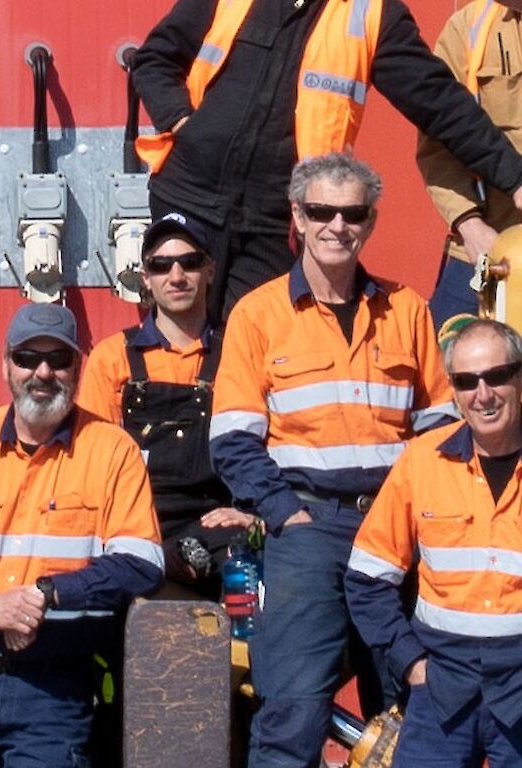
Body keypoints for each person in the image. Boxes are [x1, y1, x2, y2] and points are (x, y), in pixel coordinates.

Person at [211, 154, 457, 768]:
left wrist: (422, 517)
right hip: (308, 528)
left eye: (352, 213)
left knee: (411, 706)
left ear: (371, 222)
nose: (337, 226)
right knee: (291, 710)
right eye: (322, 211)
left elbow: (442, 429)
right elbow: (233, 438)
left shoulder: (406, 312)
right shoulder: (259, 315)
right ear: (298, 216)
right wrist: (286, 517)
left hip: (397, 534)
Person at [0, 303, 164, 767]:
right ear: (5, 366)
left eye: (58, 360)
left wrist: (46, 595)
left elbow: (141, 564)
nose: (42, 372)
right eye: (27, 358)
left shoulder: (113, 450)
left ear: (79, 367)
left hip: (54, 685)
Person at [132, 0, 522, 318]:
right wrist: (185, 125)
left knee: (249, 346)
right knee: (176, 342)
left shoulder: (371, 13)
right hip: (187, 198)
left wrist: (515, 178)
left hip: (277, 223)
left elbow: (441, 105)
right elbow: (154, 60)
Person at [347, 319, 522, 768]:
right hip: (441, 687)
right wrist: (411, 665)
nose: (482, 394)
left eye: (496, 376)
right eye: (466, 382)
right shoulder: (422, 461)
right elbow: (367, 578)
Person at [77, 213, 254, 596]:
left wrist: (250, 515)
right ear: (145, 278)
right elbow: (93, 468)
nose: (176, 276)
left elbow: (264, 447)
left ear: (209, 271)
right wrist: (147, 544)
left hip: (216, 524)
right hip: (135, 523)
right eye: (161, 265)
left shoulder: (239, 353)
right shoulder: (112, 358)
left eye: (189, 262)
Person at [420, 0, 522, 325]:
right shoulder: (470, 27)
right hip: (484, 250)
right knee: (450, 363)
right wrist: (470, 226)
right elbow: (437, 142)